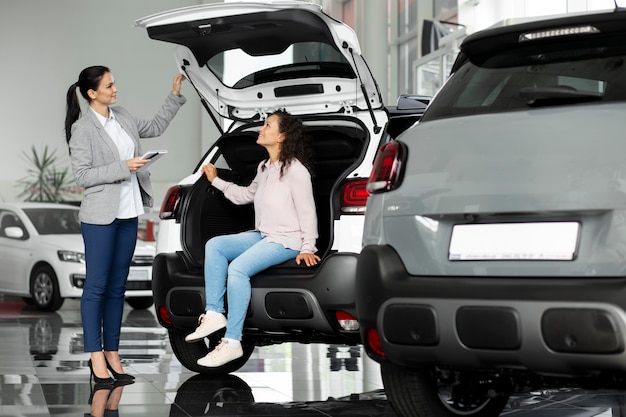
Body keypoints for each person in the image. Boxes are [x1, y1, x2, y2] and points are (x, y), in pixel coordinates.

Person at [64, 65, 186, 383]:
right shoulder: (83, 128)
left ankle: (113, 353)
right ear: (92, 93)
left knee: (118, 288)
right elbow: (82, 175)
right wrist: (124, 166)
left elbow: (157, 126)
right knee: (97, 287)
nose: (115, 89)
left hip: (128, 213)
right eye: (109, 85)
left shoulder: (124, 117)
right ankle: (95, 357)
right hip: (100, 218)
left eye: (114, 83)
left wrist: (174, 95)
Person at [185, 109, 321, 367]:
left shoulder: (295, 170)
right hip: (264, 235)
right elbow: (246, 195)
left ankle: (232, 341)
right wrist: (216, 182)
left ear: (281, 136)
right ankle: (214, 313)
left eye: (268, 125)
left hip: (287, 240)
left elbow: (308, 211)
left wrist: (307, 247)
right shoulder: (264, 167)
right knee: (215, 245)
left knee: (237, 269)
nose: (262, 128)